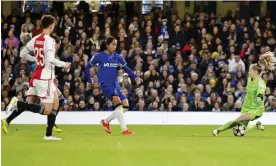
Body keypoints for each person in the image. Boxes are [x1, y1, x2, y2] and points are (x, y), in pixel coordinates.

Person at [2, 15, 71, 140]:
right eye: (54, 24)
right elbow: (50, 59)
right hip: (44, 78)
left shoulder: (36, 38)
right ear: (51, 26)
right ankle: (19, 104)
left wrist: (36, 59)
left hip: (38, 75)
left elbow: (23, 53)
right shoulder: (49, 40)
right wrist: (64, 64)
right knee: (47, 110)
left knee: (56, 102)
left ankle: (48, 134)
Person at [85, 36, 143, 135]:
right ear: (107, 45)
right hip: (105, 84)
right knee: (119, 106)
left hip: (115, 84)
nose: (115, 46)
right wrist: (89, 81)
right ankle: (124, 130)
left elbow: (127, 68)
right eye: (113, 44)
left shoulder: (117, 57)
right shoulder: (99, 56)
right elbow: (87, 67)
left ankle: (106, 121)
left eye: (116, 44)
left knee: (125, 106)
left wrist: (135, 77)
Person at [212, 52, 276, 136]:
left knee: (238, 120)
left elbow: (260, 95)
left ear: (255, 72)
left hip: (256, 109)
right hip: (246, 106)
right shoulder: (250, 78)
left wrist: (259, 99)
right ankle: (256, 126)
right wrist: (262, 60)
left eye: (250, 71)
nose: (248, 72)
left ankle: (218, 130)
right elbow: (258, 67)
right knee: (242, 129)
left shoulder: (261, 84)